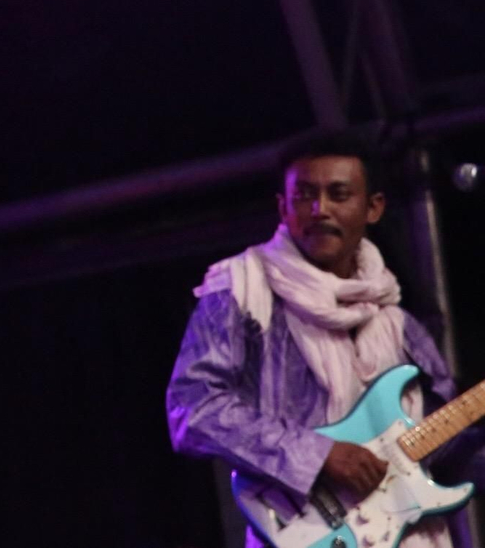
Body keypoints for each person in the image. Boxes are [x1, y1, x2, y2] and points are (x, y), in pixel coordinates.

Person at [166, 128, 476, 547]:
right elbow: (192, 408)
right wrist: (316, 455)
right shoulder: (241, 290)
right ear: (282, 207)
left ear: (374, 208)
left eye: (339, 194)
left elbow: (444, 449)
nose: (319, 209)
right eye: (304, 195)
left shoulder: (401, 325)